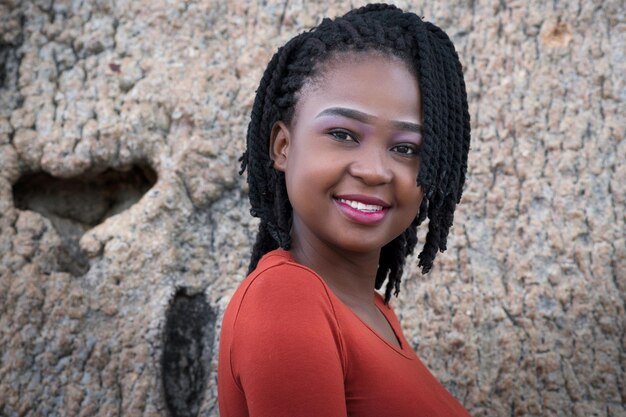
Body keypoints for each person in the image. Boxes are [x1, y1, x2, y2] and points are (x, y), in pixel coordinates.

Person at [218, 4, 472, 416]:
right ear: (282, 146)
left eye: (406, 148)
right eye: (343, 134)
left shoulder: (374, 312)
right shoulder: (287, 300)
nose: (374, 171)